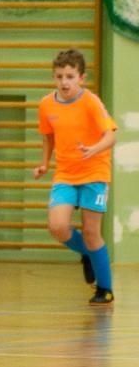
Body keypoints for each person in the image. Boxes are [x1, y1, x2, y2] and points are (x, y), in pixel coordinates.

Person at [33, 48, 116, 306]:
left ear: (82, 78)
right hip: (66, 173)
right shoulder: (47, 104)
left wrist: (94, 149)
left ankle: (105, 288)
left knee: (92, 232)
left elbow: (111, 135)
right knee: (57, 227)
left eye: (70, 76)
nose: (64, 82)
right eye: (59, 77)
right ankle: (89, 255)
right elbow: (48, 136)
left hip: (94, 172)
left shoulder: (91, 101)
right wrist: (44, 164)